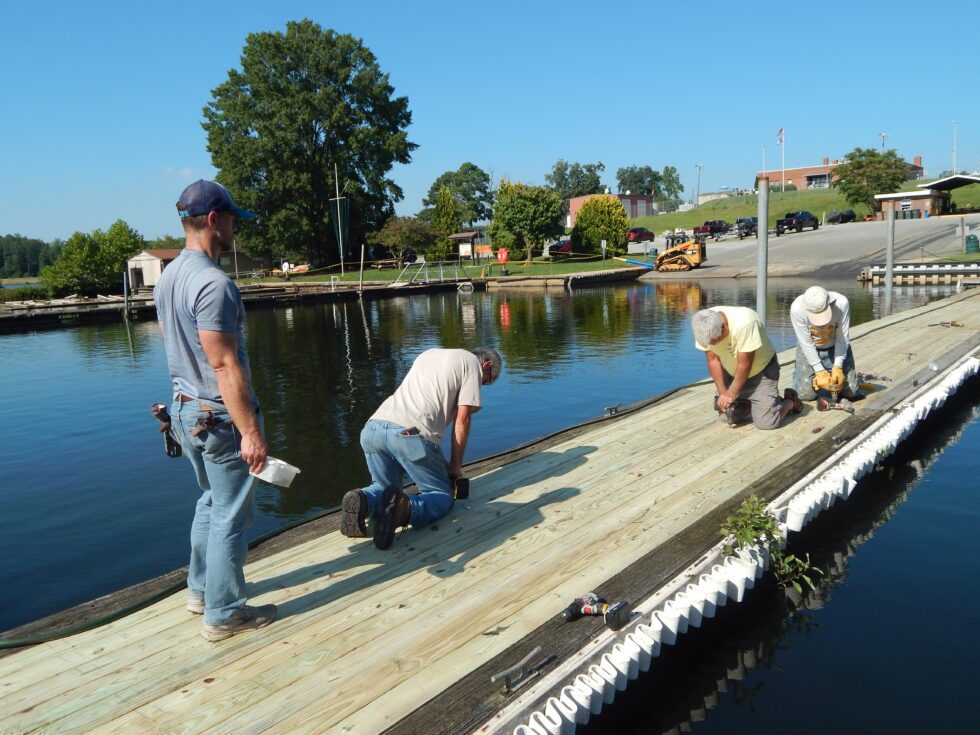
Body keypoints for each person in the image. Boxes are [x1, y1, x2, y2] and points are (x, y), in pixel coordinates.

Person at [155, 179, 277, 642]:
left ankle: (201, 591)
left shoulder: (168, 279)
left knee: (210, 501)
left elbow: (174, 341)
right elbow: (223, 364)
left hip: (186, 410)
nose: (234, 229)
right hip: (219, 416)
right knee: (232, 515)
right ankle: (224, 615)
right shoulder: (213, 284)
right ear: (212, 220)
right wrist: (251, 433)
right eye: (230, 220)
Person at [341, 347, 503, 550]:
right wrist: (455, 467)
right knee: (441, 496)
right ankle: (405, 508)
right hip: (409, 435)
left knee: (384, 489)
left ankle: (362, 499)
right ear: (486, 365)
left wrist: (440, 465)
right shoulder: (471, 363)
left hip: (373, 429)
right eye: (485, 381)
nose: (481, 386)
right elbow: (463, 419)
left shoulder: (429, 354)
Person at [692, 306, 801, 430]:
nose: (712, 344)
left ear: (723, 327)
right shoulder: (702, 325)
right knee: (728, 417)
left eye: (715, 341)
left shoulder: (745, 322)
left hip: (761, 371)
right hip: (732, 372)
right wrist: (723, 393)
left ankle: (789, 401)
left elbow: (745, 364)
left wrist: (732, 393)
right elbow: (713, 360)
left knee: (767, 423)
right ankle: (755, 403)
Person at [790, 286, 859, 401]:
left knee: (851, 392)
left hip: (836, 348)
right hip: (809, 349)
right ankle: (800, 375)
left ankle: (836, 373)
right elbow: (806, 343)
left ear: (829, 302)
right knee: (805, 395)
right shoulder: (797, 308)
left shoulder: (842, 303)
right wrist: (819, 370)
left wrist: (838, 366)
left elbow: (842, 338)